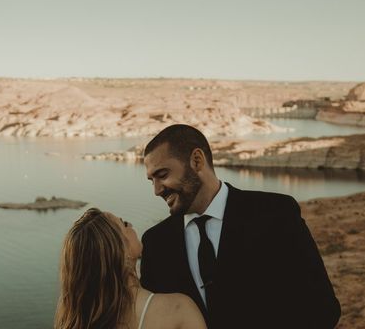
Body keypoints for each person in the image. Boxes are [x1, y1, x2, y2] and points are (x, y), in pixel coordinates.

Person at [140, 124, 341, 329]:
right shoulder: (155, 242)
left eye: (162, 174)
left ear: (197, 160)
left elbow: (322, 308)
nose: (156, 190)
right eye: (151, 180)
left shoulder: (276, 214)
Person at [54, 207, 207, 329]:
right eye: (125, 224)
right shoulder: (178, 311)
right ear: (120, 250)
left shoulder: (77, 321)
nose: (131, 226)